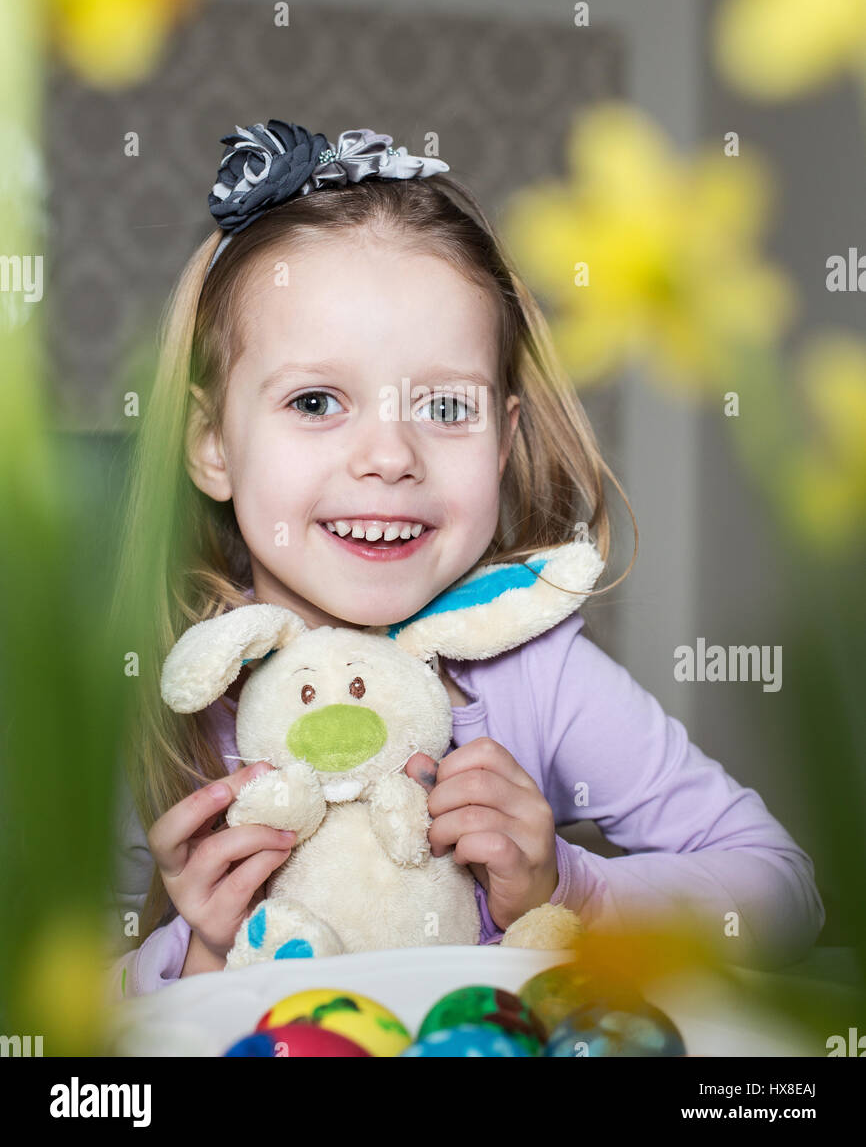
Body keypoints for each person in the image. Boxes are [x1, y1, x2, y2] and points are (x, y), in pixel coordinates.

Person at [106, 121, 824, 1001]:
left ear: (501, 442)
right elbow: (54, 998)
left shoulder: (540, 676)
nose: (391, 455)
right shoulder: (163, 701)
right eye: (318, 400)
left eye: (446, 405)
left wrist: (571, 885)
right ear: (212, 441)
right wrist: (197, 958)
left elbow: (783, 888)